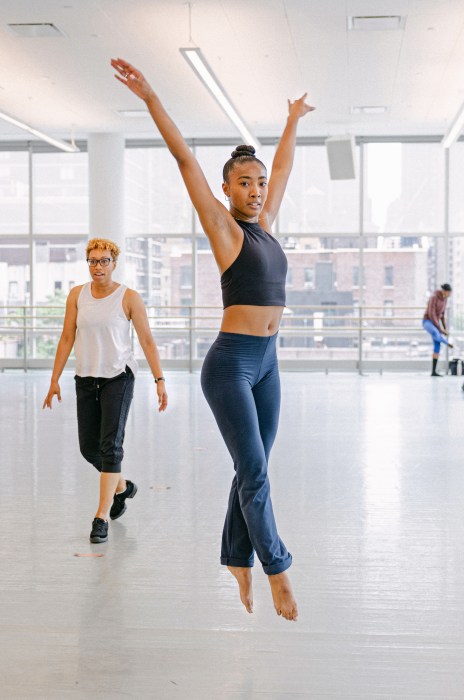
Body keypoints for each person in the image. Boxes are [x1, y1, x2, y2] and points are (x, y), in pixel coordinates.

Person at [111, 57, 314, 621]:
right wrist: (151, 97)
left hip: (268, 361)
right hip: (230, 366)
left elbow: (285, 168)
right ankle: (277, 570)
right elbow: (183, 159)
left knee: (255, 467)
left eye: (258, 183)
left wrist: (293, 119)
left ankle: (235, 556)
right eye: (243, 183)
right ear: (225, 190)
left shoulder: (266, 225)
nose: (255, 190)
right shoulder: (225, 230)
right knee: (253, 471)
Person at [43, 237, 168, 543]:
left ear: (114, 263)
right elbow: (65, 338)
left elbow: (147, 341)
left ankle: (101, 516)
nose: (98, 267)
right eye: (93, 261)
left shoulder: (129, 298)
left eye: (104, 261)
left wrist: (159, 380)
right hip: (86, 377)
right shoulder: (77, 295)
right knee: (90, 448)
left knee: (111, 447)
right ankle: (122, 487)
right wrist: (54, 378)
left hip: (118, 377)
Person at [423, 283, 453, 376]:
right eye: (449, 292)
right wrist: (440, 329)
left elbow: (442, 315)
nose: (450, 294)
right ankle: (446, 343)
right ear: (445, 291)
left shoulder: (445, 299)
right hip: (428, 321)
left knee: (437, 346)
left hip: (436, 323)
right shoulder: (434, 297)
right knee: (436, 333)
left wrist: (444, 327)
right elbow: (431, 314)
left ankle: (433, 371)